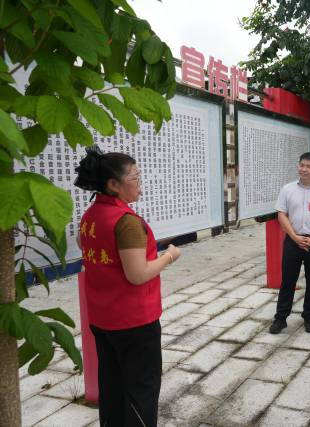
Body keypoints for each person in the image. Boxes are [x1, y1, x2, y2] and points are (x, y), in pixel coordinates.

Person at [75, 146, 181, 427]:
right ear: (113, 184)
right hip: (134, 322)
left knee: (112, 387)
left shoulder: (91, 215)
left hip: (102, 319)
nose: (140, 185)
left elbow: (83, 243)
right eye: (135, 178)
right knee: (140, 391)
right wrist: (169, 256)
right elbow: (138, 274)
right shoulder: (126, 222)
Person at [269, 152, 310, 334]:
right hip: (293, 241)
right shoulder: (287, 189)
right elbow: (281, 214)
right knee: (288, 281)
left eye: (308, 166)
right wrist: (294, 237)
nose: (303, 169)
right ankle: (280, 318)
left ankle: (309, 317)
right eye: (301, 165)